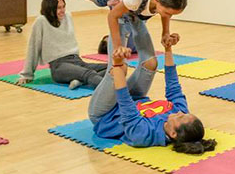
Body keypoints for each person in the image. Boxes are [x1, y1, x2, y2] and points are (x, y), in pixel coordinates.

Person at [87, 38, 215, 152]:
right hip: (136, 99)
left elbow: (125, 102)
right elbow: (174, 87)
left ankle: (118, 21)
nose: (181, 113)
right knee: (151, 63)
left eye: (181, 118)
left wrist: (117, 63)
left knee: (120, 69)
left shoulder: (143, 134)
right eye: (185, 114)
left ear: (173, 133)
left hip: (105, 114)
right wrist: (168, 48)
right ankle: (137, 20)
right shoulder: (178, 114)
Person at [54, 0, 188, 69]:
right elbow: (112, 16)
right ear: (157, 0)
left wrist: (166, 33)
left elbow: (165, 15)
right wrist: (118, 46)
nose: (169, 16)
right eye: (168, 13)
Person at [18, 0, 107, 89]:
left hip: (76, 60)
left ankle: (80, 81)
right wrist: (27, 75)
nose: (62, 10)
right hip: (59, 66)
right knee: (89, 74)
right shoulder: (41, 21)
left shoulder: (68, 16)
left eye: (63, 6)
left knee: (112, 68)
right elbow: (33, 48)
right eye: (58, 8)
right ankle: (111, 91)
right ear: (49, 9)